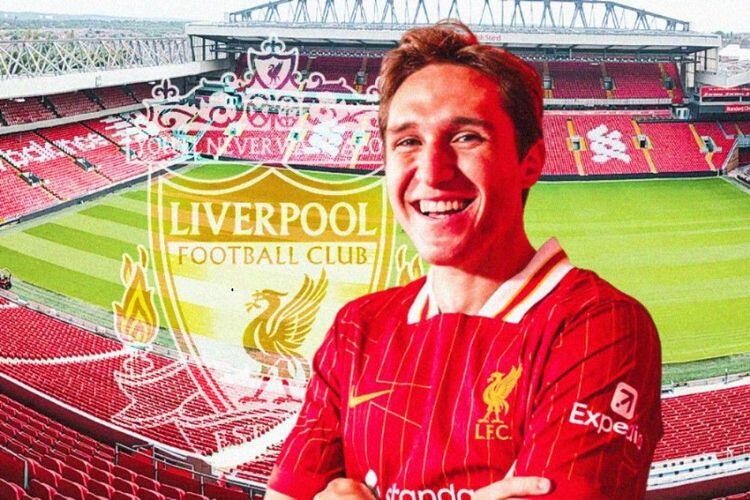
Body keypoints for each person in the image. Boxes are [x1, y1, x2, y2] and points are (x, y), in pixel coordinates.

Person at [266, 20, 662, 499]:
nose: (432, 172)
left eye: (467, 137)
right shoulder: (357, 328)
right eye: (408, 141)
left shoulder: (599, 324)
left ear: (530, 161)